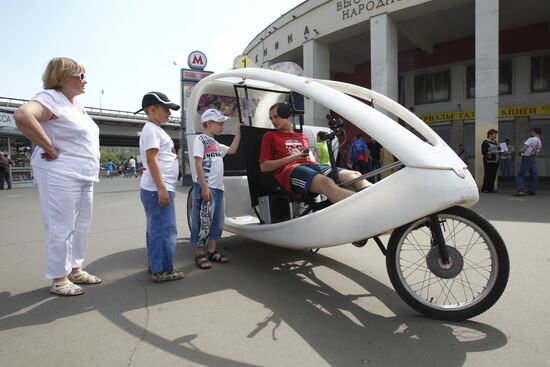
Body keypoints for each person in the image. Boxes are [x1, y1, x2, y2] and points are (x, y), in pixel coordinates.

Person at [13, 57, 102, 296]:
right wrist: (49, 147)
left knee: (81, 225)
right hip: (61, 173)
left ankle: (75, 269)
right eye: (80, 75)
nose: (85, 80)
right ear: (62, 77)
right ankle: (59, 278)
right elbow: (22, 115)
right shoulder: (49, 98)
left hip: (84, 174)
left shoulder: (75, 104)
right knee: (60, 227)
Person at [259, 103, 369, 205]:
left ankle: (377, 200)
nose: (273, 121)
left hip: (311, 166)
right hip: (290, 170)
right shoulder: (270, 136)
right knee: (325, 182)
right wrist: (291, 158)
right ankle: (366, 205)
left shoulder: (302, 136)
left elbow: (310, 159)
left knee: (355, 175)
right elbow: (264, 167)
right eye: (271, 118)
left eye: (276, 116)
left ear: (286, 114)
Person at [137, 91, 184, 282]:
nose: (169, 114)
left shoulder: (154, 129)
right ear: (153, 109)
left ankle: (156, 265)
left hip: (156, 188)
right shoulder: (151, 130)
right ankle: (163, 269)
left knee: (156, 228)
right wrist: (162, 188)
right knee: (166, 229)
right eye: (166, 109)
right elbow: (151, 159)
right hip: (157, 189)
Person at [190, 109, 241, 269]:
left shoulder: (216, 144)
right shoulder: (201, 140)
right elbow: (198, 163)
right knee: (203, 220)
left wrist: (239, 133)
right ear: (209, 123)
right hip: (207, 187)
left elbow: (232, 150)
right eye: (220, 123)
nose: (222, 127)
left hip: (219, 189)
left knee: (216, 221)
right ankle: (199, 253)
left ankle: (212, 251)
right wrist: (204, 187)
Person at [514, 128, 542, 196]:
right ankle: (532, 190)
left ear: (534, 132)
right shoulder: (539, 142)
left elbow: (524, 147)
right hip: (532, 158)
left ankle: (521, 190)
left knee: (520, 175)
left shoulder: (531, 139)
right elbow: (537, 153)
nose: (531, 133)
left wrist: (520, 152)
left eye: (532, 132)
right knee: (534, 175)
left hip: (526, 158)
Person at [481, 129, 500, 193]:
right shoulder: (485, 142)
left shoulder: (495, 142)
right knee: (488, 174)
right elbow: (484, 152)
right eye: (494, 135)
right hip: (488, 161)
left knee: (493, 175)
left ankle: (491, 188)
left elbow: (498, 149)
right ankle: (485, 188)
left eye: (496, 135)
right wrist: (493, 152)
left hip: (495, 161)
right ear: (490, 135)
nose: (495, 136)